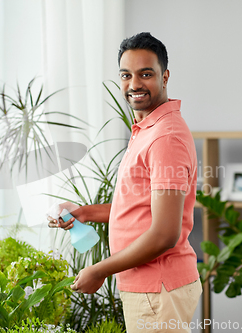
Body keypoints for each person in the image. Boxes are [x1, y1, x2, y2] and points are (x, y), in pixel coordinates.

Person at [48, 32, 201, 333]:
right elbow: (140, 205)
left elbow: (164, 234)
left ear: (165, 76)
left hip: (156, 288)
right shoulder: (148, 129)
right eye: (126, 75)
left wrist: (98, 270)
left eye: (146, 74)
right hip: (151, 287)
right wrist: (85, 213)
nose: (134, 85)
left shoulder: (164, 138)